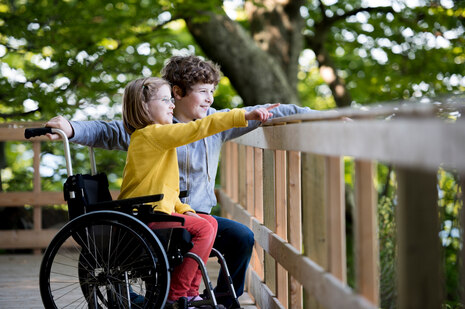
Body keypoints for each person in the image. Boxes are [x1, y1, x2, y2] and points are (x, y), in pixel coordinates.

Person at [45, 55, 317, 308]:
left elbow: (266, 111)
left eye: (212, 91)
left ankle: (220, 300)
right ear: (177, 92)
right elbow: (104, 130)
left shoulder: (215, 123)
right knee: (161, 287)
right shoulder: (150, 127)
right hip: (155, 220)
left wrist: (315, 116)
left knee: (241, 237)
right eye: (202, 91)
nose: (210, 99)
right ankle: (166, 297)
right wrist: (71, 128)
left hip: (190, 215)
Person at [117, 76, 276, 308]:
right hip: (143, 218)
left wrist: (186, 209)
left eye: (172, 99)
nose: (172, 105)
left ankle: (191, 292)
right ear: (144, 107)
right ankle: (178, 293)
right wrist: (241, 116)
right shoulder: (150, 135)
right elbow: (199, 128)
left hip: (157, 212)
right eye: (165, 100)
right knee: (203, 227)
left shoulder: (158, 138)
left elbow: (167, 191)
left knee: (207, 222)